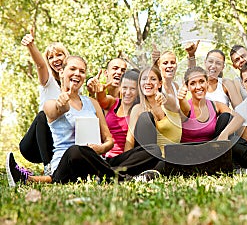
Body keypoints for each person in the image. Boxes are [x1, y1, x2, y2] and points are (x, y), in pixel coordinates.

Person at [6, 56, 156, 186]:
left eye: (82, 71)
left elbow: (109, 140)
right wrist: (64, 100)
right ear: (61, 72)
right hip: (69, 162)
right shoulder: (50, 103)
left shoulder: (92, 103)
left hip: (97, 161)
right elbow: (58, 109)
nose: (77, 73)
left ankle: (104, 175)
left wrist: (101, 148)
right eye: (73, 69)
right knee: (76, 150)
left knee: (151, 150)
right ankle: (122, 178)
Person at [19, 28, 70, 175]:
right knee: (43, 115)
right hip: (34, 145)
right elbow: (40, 65)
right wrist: (31, 46)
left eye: (59, 55)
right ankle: (48, 167)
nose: (56, 59)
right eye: (51, 57)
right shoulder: (48, 80)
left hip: (58, 142)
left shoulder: (74, 86)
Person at [125, 66, 182, 158]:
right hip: (149, 158)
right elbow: (130, 140)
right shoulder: (138, 109)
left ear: (160, 84)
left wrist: (165, 98)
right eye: (144, 79)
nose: (148, 82)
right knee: (145, 116)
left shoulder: (169, 103)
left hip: (171, 158)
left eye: (153, 79)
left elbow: (171, 100)